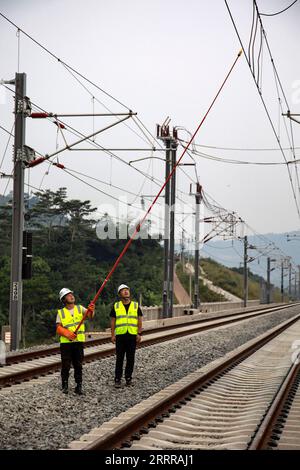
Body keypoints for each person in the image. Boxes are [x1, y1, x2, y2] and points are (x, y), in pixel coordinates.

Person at [56, 288, 95, 395]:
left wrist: (91, 309)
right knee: (66, 365)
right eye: (68, 295)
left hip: (78, 342)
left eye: (71, 294)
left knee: (78, 364)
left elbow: (90, 316)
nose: (71, 296)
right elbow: (58, 328)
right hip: (66, 343)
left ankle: (79, 386)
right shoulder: (61, 312)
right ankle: (64, 385)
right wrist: (68, 334)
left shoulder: (79, 308)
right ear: (64, 299)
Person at [110, 284, 143, 388]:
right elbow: (113, 321)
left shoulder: (135, 305)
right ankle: (117, 379)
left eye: (127, 290)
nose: (126, 292)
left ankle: (128, 378)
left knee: (130, 358)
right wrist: (112, 335)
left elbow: (139, 320)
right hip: (120, 336)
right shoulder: (116, 306)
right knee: (119, 358)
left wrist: (139, 333)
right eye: (123, 290)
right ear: (120, 294)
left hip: (132, 336)